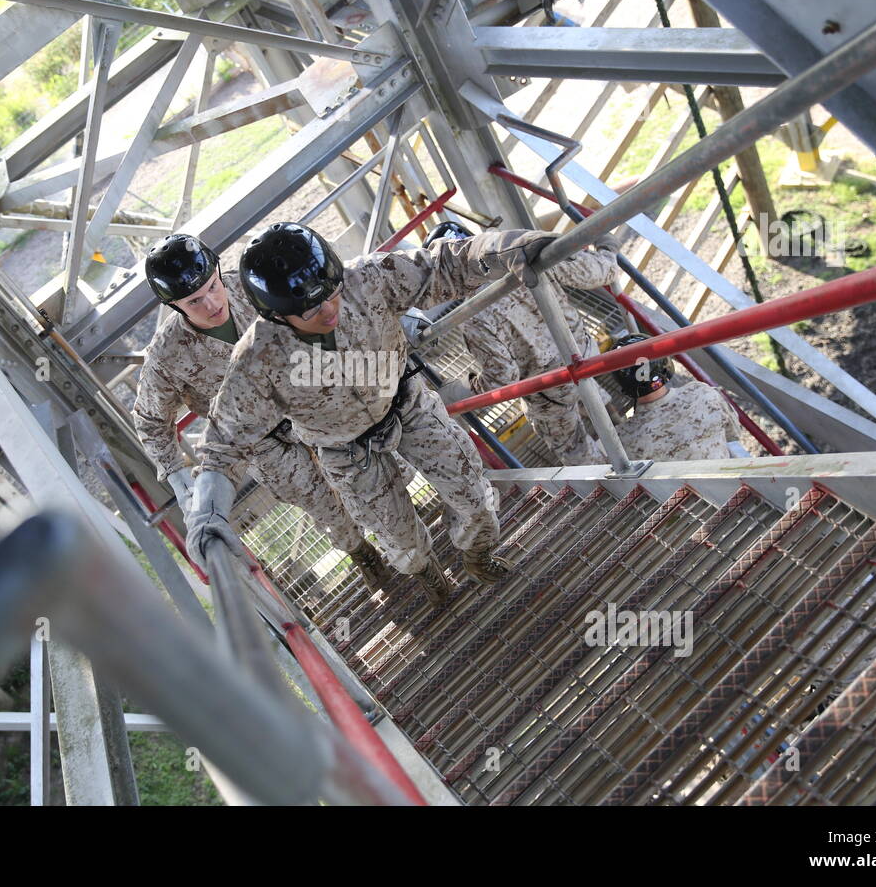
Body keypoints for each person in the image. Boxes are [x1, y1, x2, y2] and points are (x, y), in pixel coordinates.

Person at [184, 220, 586, 605]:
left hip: (407, 404)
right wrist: (208, 513)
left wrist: (513, 247)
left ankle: (476, 556)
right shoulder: (258, 360)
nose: (328, 311)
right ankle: (428, 574)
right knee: (399, 539)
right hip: (347, 450)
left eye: (332, 293)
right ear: (275, 316)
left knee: (475, 498)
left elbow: (446, 263)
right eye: (309, 311)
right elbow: (222, 446)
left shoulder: (367, 278)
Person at [130, 233, 398, 591]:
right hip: (265, 446)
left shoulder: (253, 289)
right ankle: (362, 552)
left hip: (313, 407)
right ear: (176, 306)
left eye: (213, 287)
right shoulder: (168, 355)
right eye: (195, 301)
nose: (211, 303)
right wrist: (179, 479)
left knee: (368, 475)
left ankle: (402, 539)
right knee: (324, 506)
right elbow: (149, 420)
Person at [425, 220, 620, 465]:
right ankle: (622, 432)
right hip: (584, 357)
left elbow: (502, 377)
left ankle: (617, 484)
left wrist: (455, 392)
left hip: (547, 391)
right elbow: (597, 272)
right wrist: (606, 246)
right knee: (590, 393)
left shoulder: (473, 315)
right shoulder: (527, 256)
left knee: (571, 445)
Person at [612, 334, 743, 461]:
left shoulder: (624, 438)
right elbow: (734, 433)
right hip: (731, 480)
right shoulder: (701, 393)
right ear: (663, 363)